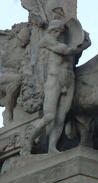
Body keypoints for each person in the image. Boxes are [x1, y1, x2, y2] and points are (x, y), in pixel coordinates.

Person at [26, 19, 89, 154]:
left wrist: (84, 40)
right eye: (57, 31)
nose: (58, 34)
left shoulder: (62, 42)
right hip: (54, 81)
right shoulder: (47, 40)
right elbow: (65, 51)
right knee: (49, 116)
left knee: (61, 118)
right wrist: (82, 45)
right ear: (51, 30)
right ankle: (27, 142)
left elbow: (73, 53)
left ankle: (52, 147)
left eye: (61, 32)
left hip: (68, 81)